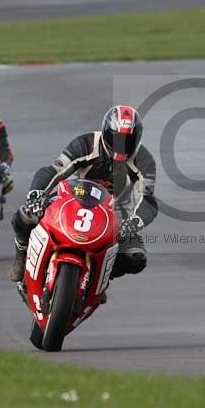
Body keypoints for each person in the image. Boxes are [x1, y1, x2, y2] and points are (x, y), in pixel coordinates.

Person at [9, 105, 158, 284]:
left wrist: (135, 222)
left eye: (127, 139)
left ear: (137, 137)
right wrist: (37, 195)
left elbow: (148, 199)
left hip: (114, 213)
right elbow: (54, 171)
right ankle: (22, 255)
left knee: (136, 257)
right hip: (73, 198)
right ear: (106, 131)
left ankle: (98, 278)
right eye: (116, 137)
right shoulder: (85, 144)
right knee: (26, 214)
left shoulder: (144, 160)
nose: (120, 144)